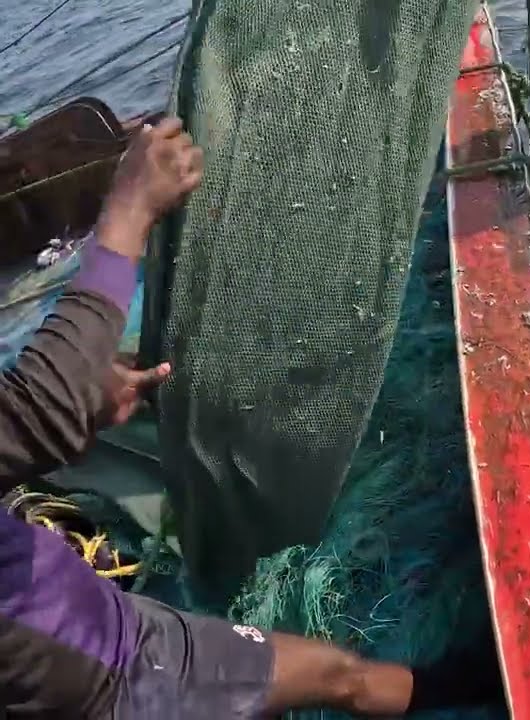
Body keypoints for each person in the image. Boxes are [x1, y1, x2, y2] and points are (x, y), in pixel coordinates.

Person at [0, 117, 499, 718]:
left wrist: (83, 413)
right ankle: (479, 691)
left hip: (74, 646)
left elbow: (34, 420)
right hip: (116, 669)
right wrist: (128, 210)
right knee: (335, 674)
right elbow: (39, 404)